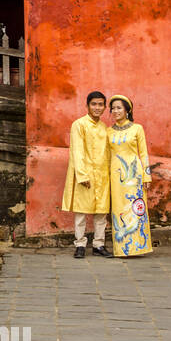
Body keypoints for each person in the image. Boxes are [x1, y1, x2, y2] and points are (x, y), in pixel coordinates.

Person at [61, 91, 112, 259]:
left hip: (102, 175)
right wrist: (82, 175)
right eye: (94, 104)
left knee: (101, 213)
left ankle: (99, 244)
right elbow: (77, 151)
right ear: (87, 105)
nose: (97, 108)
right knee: (81, 213)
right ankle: (80, 244)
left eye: (100, 104)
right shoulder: (79, 125)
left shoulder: (105, 128)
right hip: (86, 174)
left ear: (105, 107)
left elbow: (108, 154)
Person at [107, 94, 152, 257]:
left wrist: (147, 176)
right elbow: (106, 156)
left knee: (136, 208)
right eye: (113, 108)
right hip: (115, 176)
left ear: (127, 110)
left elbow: (144, 153)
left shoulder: (137, 128)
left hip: (135, 176)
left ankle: (139, 246)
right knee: (119, 209)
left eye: (119, 107)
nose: (115, 111)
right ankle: (122, 248)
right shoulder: (108, 131)